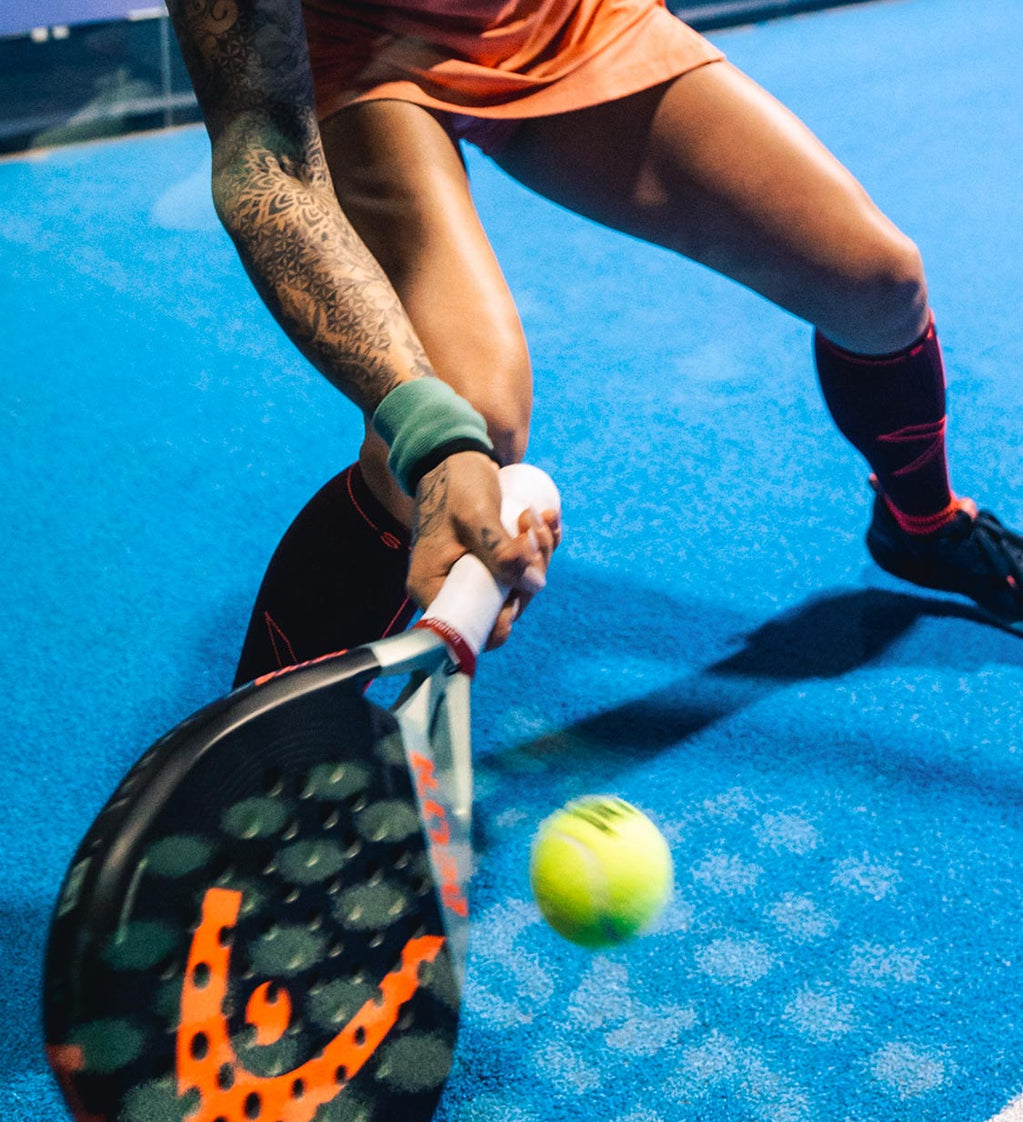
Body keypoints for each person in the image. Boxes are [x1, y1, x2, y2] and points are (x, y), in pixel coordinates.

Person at [164, 0, 1023, 688]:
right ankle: (250, 773)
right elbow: (262, 164)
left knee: (877, 282)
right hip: (352, 46)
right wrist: (426, 426)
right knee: (475, 421)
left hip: (558, 18)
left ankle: (922, 523)